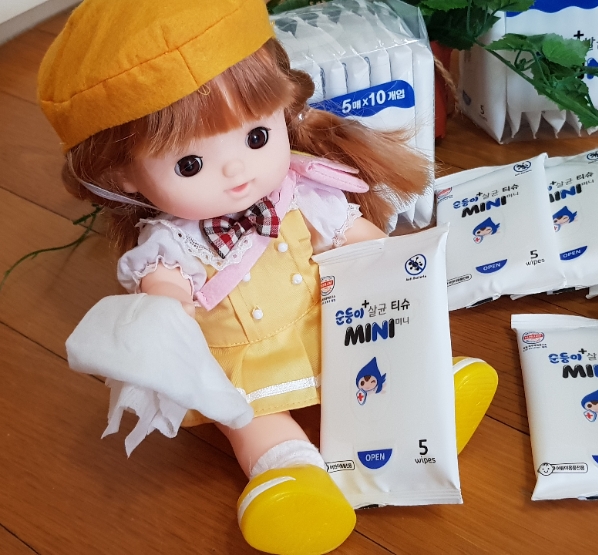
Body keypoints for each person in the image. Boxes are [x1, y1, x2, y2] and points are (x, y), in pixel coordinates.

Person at [38, 1, 497, 553]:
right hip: (243, 360)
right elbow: (165, 285)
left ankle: (428, 404)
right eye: (190, 164)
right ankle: (291, 477)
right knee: (255, 418)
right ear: (123, 175)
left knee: (377, 356)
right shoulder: (171, 242)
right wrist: (167, 309)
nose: (237, 171)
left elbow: (348, 232)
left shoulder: (302, 193)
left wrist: (395, 264)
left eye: (257, 136)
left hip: (327, 323)